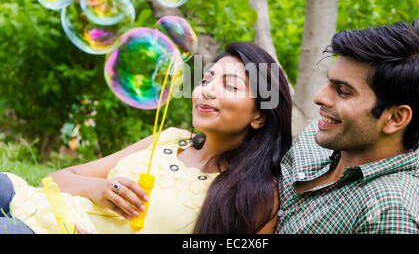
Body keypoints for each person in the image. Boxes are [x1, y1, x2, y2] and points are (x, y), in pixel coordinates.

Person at [0, 41, 292, 234]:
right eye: (206, 80)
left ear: (260, 116)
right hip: (30, 201)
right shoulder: (170, 139)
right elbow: (56, 179)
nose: (206, 90)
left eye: (229, 85)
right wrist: (99, 188)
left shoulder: (257, 195)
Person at [276, 20, 419, 234]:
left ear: (395, 118)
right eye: (329, 82)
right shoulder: (322, 134)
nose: (319, 97)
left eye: (343, 91)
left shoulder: (390, 213)